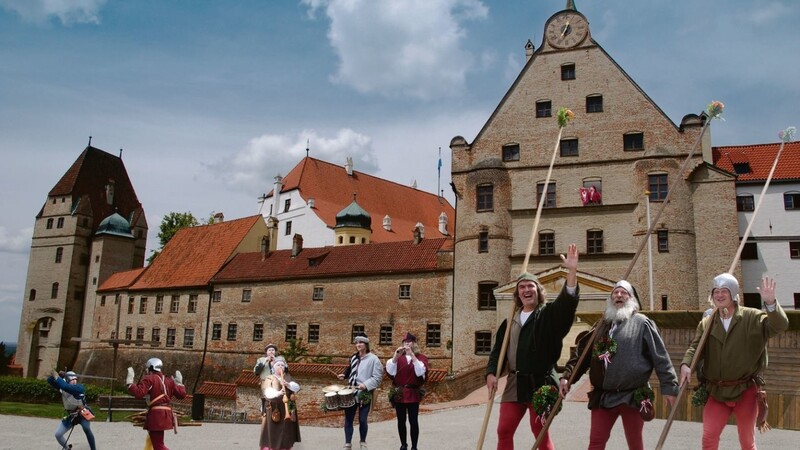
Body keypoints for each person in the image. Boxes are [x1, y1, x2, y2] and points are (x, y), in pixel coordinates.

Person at [559, 280, 678, 450]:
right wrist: (567, 377)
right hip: (604, 396)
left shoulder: (642, 323)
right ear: (611, 298)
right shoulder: (602, 325)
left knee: (635, 444)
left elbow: (660, 357)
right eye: (615, 293)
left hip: (632, 395)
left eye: (624, 293)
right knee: (596, 443)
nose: (619, 295)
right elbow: (582, 356)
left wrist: (670, 387)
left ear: (632, 299)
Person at [485, 243, 580, 450]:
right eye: (522, 287)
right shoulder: (510, 320)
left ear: (538, 291)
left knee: (540, 434)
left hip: (541, 383)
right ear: (517, 294)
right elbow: (498, 351)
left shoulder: (547, 315)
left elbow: (566, 305)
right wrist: (491, 373)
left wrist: (571, 272)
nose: (527, 290)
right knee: (504, 431)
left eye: (531, 286)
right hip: (515, 383)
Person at [680, 274, 788, 450]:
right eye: (716, 292)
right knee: (709, 437)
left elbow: (779, 326)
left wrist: (771, 304)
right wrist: (686, 365)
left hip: (745, 390)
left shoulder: (752, 317)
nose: (720, 295)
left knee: (747, 442)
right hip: (716, 391)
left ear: (733, 294)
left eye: (724, 291)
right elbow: (695, 348)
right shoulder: (707, 322)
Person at [126, 357, 187, 450]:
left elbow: (139, 393)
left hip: (157, 415)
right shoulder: (169, 381)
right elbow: (181, 394)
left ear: (150, 367)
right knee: (157, 443)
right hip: (166, 414)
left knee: (158, 446)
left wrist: (130, 383)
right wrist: (179, 383)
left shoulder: (149, 379)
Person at [337, 332, 384, 450]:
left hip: (364, 393)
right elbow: (350, 369)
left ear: (366, 344)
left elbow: (378, 377)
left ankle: (363, 442)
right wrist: (344, 374)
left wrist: (366, 384)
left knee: (363, 419)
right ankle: (348, 443)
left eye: (361, 342)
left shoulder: (374, 359)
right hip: (350, 392)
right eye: (357, 343)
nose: (358, 345)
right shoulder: (354, 357)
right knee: (348, 419)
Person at [386, 331, 429, 450]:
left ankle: (414, 446)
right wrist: (395, 356)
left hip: (413, 393)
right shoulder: (399, 358)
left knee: (413, 421)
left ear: (414, 343)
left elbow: (421, 372)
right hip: (399, 393)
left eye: (409, 341)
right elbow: (390, 371)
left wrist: (413, 356)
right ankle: (403, 444)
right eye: (404, 342)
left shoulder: (421, 358)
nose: (406, 344)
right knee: (401, 421)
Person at [47, 370, 97, 450]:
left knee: (86, 428)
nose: (74, 381)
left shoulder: (79, 388)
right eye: (71, 380)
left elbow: (66, 387)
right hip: (70, 415)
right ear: (67, 380)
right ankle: (67, 448)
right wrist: (55, 375)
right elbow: (50, 381)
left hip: (82, 413)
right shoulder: (62, 386)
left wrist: (58, 377)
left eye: (75, 379)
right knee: (58, 434)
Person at [259, 356, 301, 450]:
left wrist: (288, 384)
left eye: (282, 365)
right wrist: (278, 393)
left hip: (286, 408)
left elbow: (297, 387)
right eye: (278, 365)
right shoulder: (269, 378)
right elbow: (266, 392)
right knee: (272, 431)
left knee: (285, 432)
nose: (281, 366)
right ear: (274, 367)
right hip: (274, 408)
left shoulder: (288, 377)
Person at [255, 344, 280, 415]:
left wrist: (276, 362)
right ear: (266, 352)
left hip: (276, 382)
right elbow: (257, 372)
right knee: (266, 397)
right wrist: (265, 362)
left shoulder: (279, 360)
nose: (271, 352)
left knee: (276, 397)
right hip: (265, 381)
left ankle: (275, 413)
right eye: (269, 350)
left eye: (273, 350)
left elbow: (285, 370)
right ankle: (264, 411)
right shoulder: (260, 360)